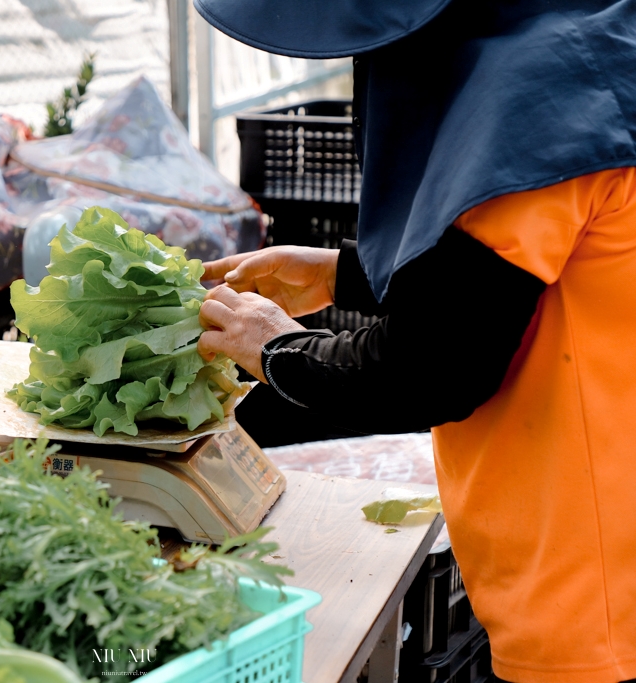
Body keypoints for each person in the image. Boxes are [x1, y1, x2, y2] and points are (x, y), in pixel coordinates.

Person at [193, 0, 636, 681]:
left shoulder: (537, 101)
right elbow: (518, 283)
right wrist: (343, 273)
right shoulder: (581, 39)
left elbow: (432, 366)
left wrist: (274, 345)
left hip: (591, 605)